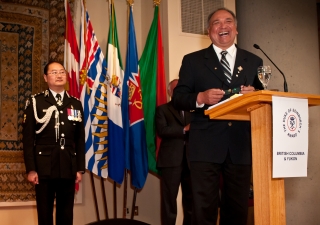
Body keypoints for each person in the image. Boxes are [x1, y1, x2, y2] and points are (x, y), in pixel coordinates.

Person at [172, 8, 264, 225]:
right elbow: (178, 98)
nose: (223, 26)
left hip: (240, 145)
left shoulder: (254, 60)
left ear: (236, 29)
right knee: (203, 209)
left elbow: (263, 98)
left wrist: (255, 96)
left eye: (228, 21)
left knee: (238, 209)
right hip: (205, 145)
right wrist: (201, 97)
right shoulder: (193, 61)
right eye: (216, 23)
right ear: (208, 31)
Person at [22, 61, 85, 225]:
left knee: (66, 214)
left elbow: (79, 138)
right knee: (45, 214)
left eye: (62, 72)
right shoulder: (36, 102)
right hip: (43, 167)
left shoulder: (75, 103)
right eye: (54, 72)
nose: (59, 75)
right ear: (45, 77)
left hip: (67, 165)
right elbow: (28, 140)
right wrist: (31, 169)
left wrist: (79, 168)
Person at [156, 79, 193, 225]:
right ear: (170, 92)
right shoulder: (163, 109)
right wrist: (184, 129)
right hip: (171, 162)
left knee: (191, 202)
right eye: (177, 89)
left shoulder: (193, 111)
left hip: (191, 161)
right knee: (169, 201)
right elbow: (162, 130)